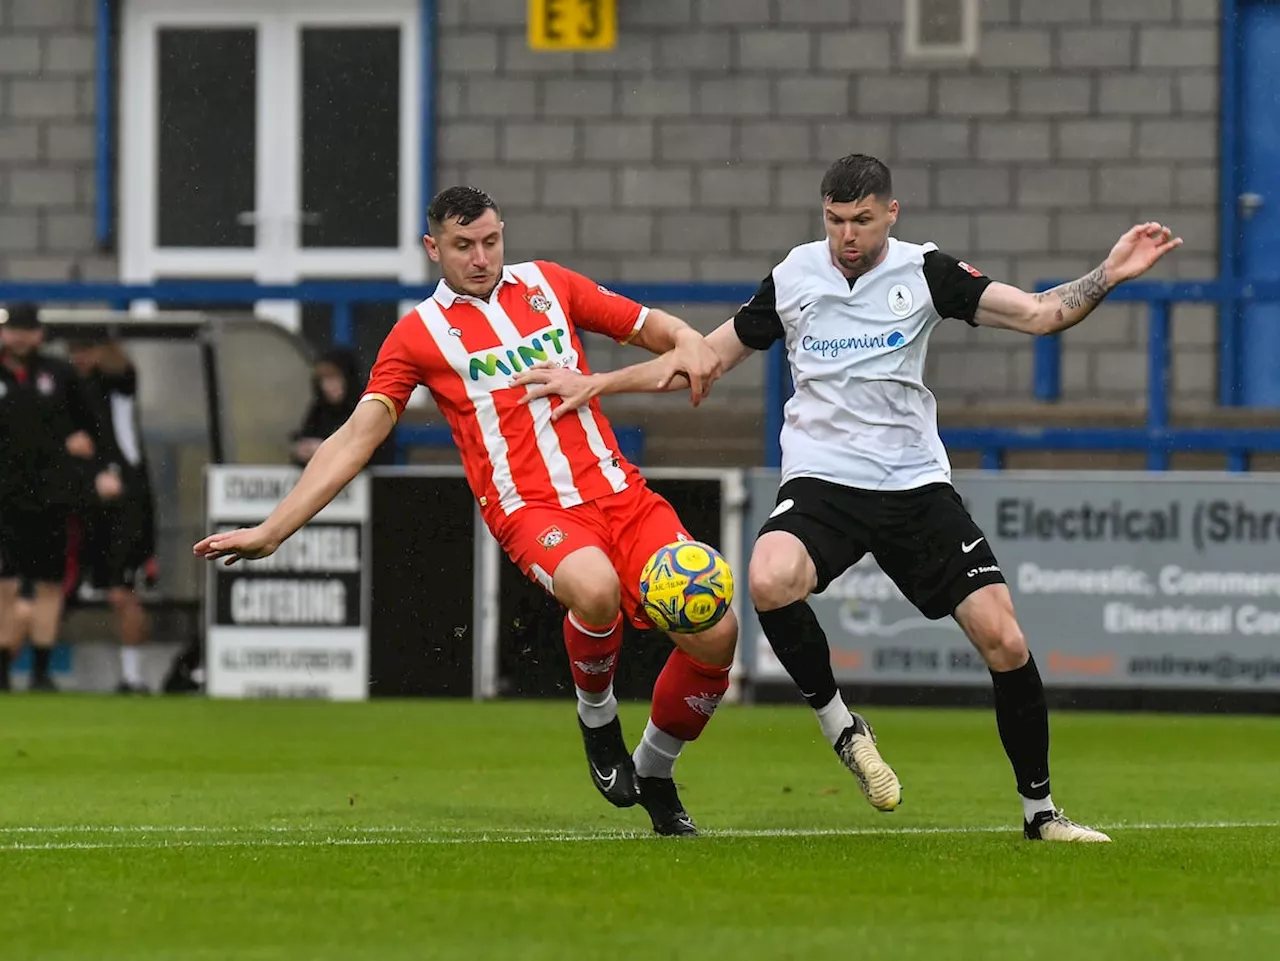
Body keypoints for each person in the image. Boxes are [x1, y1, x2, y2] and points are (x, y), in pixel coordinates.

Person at [512, 154, 1183, 843]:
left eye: (861, 220)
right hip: (824, 482)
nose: (847, 236)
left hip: (914, 484)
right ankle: (842, 727)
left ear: (892, 213)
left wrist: (1110, 274)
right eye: (835, 220)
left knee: (1005, 639)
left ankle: (1041, 812)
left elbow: (1041, 314)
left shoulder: (927, 273)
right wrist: (597, 385)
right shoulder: (795, 276)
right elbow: (703, 358)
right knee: (769, 577)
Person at [194, 186, 735, 836]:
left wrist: (688, 338)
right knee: (593, 588)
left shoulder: (548, 284)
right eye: (462, 246)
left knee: (719, 632)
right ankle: (598, 716)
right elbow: (357, 435)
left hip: (623, 495)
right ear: (433, 248)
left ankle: (656, 767)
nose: (480, 257)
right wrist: (275, 528)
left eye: (490, 241)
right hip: (531, 508)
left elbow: (649, 325)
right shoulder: (418, 334)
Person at [0, 303, 100, 692]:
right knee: (4, 586)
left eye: (26, 329)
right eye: (12, 329)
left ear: (40, 334)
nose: (19, 336)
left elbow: (90, 429)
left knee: (47, 585)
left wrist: (87, 461)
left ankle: (41, 671)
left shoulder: (60, 374)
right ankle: (3, 671)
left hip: (51, 499)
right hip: (4, 499)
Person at [68, 336, 159, 694]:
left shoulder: (117, 384)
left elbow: (123, 370)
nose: (80, 356)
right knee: (95, 588)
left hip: (128, 503)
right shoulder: (72, 390)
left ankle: (134, 676)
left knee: (123, 593)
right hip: (93, 504)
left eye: (86, 347)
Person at [292, 347, 395, 468]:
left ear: (348, 377)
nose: (328, 386)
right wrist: (302, 451)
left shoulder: (370, 407)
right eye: (323, 379)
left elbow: (375, 454)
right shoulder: (319, 410)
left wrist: (325, 450)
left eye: (334, 377)